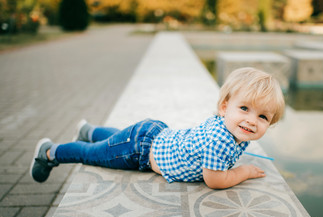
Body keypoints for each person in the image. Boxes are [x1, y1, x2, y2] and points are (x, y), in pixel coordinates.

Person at [30, 67, 285, 189]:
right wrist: (244, 172)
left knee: (115, 140)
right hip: (139, 151)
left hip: (153, 134)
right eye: (244, 109)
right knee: (93, 154)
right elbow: (215, 180)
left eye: (263, 116)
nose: (252, 120)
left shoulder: (233, 129)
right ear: (224, 107)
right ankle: (49, 152)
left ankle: (89, 130)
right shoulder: (220, 140)